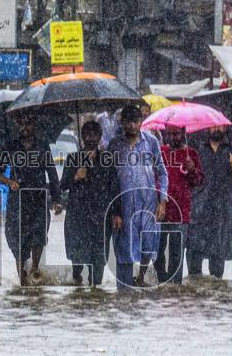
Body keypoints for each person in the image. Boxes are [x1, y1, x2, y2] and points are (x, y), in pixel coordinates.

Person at [0, 115, 62, 285]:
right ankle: (22, 282)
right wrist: (10, 182)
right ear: (17, 125)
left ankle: (35, 268)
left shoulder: (42, 145)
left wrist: (56, 199)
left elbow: (52, 173)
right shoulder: (10, 146)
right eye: (22, 123)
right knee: (17, 241)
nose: (25, 127)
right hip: (17, 200)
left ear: (35, 125)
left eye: (28, 123)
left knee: (38, 236)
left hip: (38, 198)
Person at [108, 105, 168, 288]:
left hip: (148, 202)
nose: (133, 125)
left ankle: (141, 277)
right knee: (124, 247)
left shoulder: (151, 142)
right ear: (123, 122)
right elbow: (110, 178)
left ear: (141, 122)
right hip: (124, 204)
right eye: (129, 121)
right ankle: (123, 288)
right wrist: (114, 210)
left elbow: (162, 172)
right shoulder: (115, 145)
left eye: (136, 121)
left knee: (149, 245)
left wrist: (163, 201)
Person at [59, 120, 122, 287]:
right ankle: (78, 285)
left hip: (101, 216)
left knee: (99, 260)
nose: (91, 138)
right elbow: (62, 186)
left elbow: (115, 187)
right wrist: (76, 176)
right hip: (77, 216)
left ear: (100, 137)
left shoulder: (107, 159)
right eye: (87, 135)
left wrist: (117, 213)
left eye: (94, 135)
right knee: (77, 259)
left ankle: (95, 295)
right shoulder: (73, 159)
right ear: (82, 137)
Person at [186, 125, 232, 278]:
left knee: (217, 260)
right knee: (194, 251)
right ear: (207, 128)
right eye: (214, 126)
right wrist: (190, 168)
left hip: (222, 208)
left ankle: (215, 294)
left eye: (220, 126)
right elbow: (188, 177)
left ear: (225, 128)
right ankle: (195, 289)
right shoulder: (196, 148)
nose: (217, 129)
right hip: (199, 205)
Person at [154, 125, 203, 284]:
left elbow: (198, 181)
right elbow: (153, 177)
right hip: (159, 211)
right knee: (158, 252)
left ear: (183, 133)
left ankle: (175, 287)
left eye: (175, 134)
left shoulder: (191, 154)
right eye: (168, 134)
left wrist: (192, 169)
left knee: (177, 254)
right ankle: (161, 285)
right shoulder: (160, 152)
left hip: (181, 212)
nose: (172, 137)